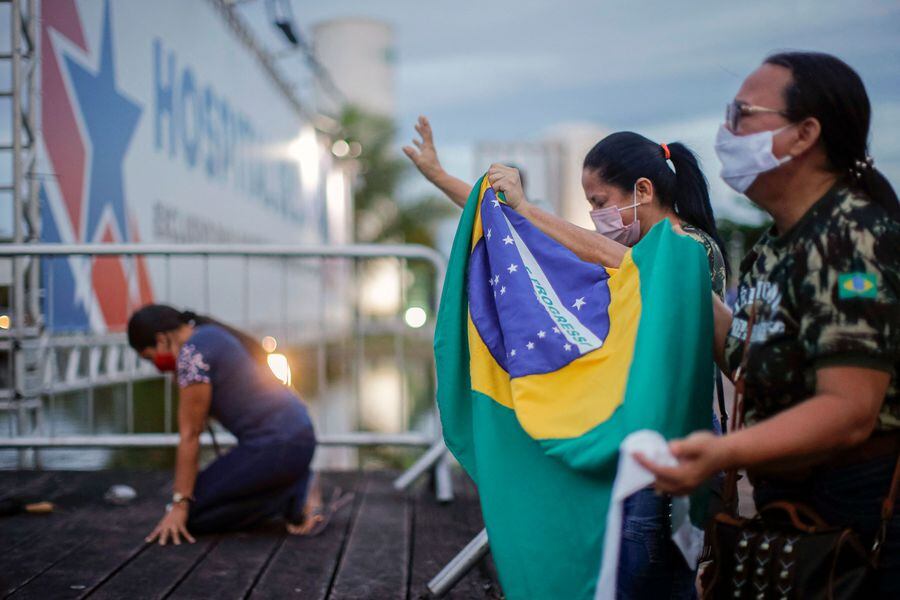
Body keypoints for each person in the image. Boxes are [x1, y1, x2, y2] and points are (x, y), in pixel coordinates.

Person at [406, 118, 727, 598]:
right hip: (628, 441)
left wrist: (528, 209)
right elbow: (527, 234)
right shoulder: (628, 252)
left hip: (667, 456)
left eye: (600, 203)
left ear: (643, 189)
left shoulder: (688, 251)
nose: (596, 216)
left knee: (647, 581)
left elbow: (621, 262)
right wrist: (454, 184)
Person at [636, 51, 900, 595]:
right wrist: (673, 274)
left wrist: (722, 452)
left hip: (859, 512)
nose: (726, 130)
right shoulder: (777, 245)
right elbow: (748, 359)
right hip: (794, 506)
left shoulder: (851, 237)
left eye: (742, 114)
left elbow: (849, 410)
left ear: (804, 134)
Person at [127, 305, 327, 545]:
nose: (156, 366)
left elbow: (190, 434)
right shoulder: (209, 333)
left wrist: (179, 506)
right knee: (201, 496)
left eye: (150, 358)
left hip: (276, 444)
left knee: (193, 516)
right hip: (296, 435)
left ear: (161, 339)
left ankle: (293, 494)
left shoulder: (192, 356)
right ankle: (293, 483)